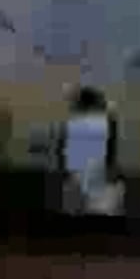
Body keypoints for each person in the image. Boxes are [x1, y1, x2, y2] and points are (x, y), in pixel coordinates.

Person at [57, 87, 123, 217]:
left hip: (85, 183)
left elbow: (62, 156)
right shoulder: (104, 124)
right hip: (96, 185)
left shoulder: (72, 126)